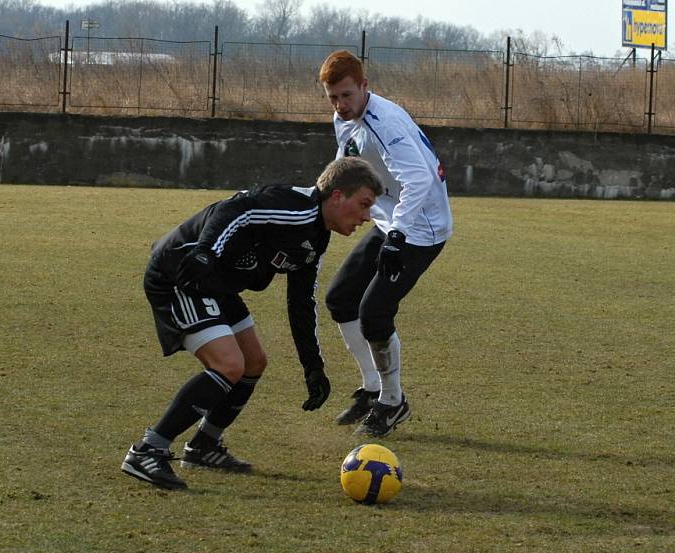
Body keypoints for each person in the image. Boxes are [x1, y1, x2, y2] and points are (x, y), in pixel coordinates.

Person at [121, 157, 384, 489]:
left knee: (253, 362)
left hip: (217, 284)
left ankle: (204, 445)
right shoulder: (294, 207)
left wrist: (312, 366)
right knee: (229, 364)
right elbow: (236, 209)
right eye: (363, 204)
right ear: (336, 196)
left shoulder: (315, 239)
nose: (366, 216)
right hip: (182, 273)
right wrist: (205, 251)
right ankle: (148, 451)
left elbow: (301, 303)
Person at [319, 50, 454, 437]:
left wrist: (397, 236)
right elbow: (343, 167)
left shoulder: (385, 122)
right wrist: (314, 202)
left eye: (346, 95)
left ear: (364, 87)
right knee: (341, 298)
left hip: (422, 228)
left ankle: (393, 403)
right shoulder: (343, 119)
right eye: (333, 97)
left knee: (375, 312)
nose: (340, 105)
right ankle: (372, 388)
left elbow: (419, 181)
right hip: (391, 221)